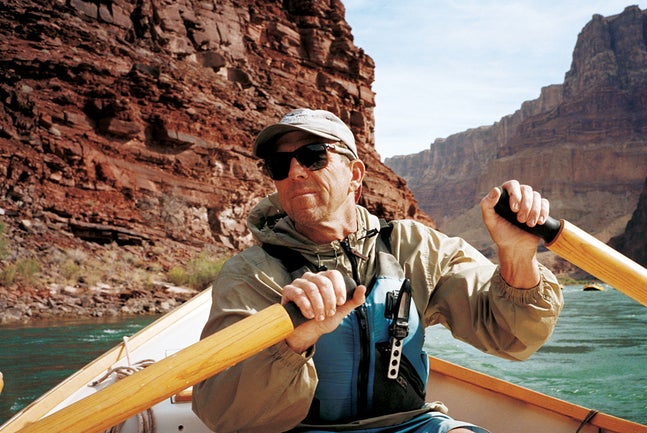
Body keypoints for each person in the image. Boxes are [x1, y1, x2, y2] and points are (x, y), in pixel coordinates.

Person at [192, 108, 563, 433]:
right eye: (279, 164)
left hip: (410, 425)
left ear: (355, 174)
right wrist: (293, 342)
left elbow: (512, 337)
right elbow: (225, 413)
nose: (295, 172)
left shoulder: (415, 247)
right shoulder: (249, 275)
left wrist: (516, 256)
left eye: (312, 156)